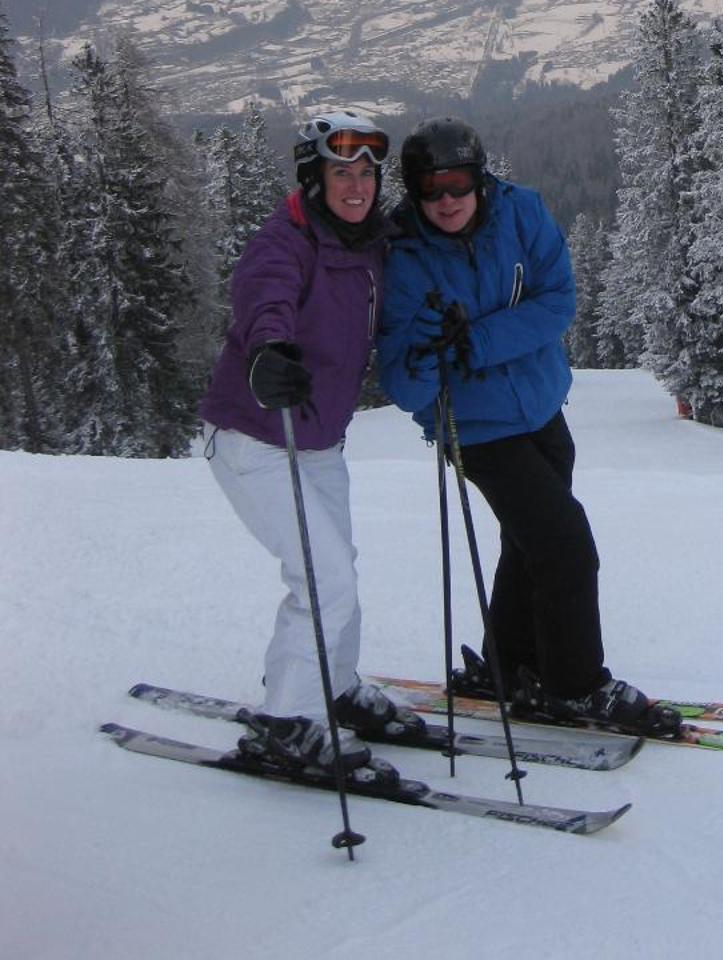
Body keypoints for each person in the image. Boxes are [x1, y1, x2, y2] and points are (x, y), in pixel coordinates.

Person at [377, 116, 677, 737]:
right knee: (565, 544)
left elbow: (557, 300)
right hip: (478, 429)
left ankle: (507, 663)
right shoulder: (403, 257)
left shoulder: (521, 213)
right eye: (430, 188)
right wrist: (429, 349)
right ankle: (574, 685)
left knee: (529, 541)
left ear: (481, 179)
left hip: (542, 407)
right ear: (412, 191)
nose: (447, 200)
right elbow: (403, 385)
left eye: (458, 182)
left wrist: (476, 342)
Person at [199, 108, 423, 769]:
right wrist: (269, 351)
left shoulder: (367, 244)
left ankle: (336, 685)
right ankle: (290, 721)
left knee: (337, 569)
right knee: (324, 578)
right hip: (257, 434)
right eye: (340, 173)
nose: (356, 186)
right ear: (314, 179)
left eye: (366, 174)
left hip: (320, 438)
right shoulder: (285, 241)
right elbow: (262, 297)